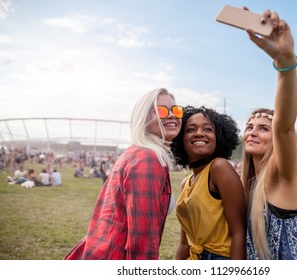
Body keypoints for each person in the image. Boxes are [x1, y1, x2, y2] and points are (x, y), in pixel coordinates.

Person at [64, 88, 183, 260]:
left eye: (176, 110)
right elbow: (142, 243)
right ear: (144, 118)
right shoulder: (148, 158)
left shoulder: (136, 152)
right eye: (162, 110)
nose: (172, 115)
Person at [240, 8, 297, 259]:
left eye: (264, 128)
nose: (252, 132)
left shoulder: (284, 179)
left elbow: (284, 126)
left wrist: (284, 63)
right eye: (250, 127)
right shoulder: (249, 188)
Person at [172, 106, 246, 260]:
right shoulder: (185, 182)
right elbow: (184, 244)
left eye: (208, 129)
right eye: (191, 129)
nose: (199, 133)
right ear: (180, 138)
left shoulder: (219, 168)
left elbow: (239, 233)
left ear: (218, 136)